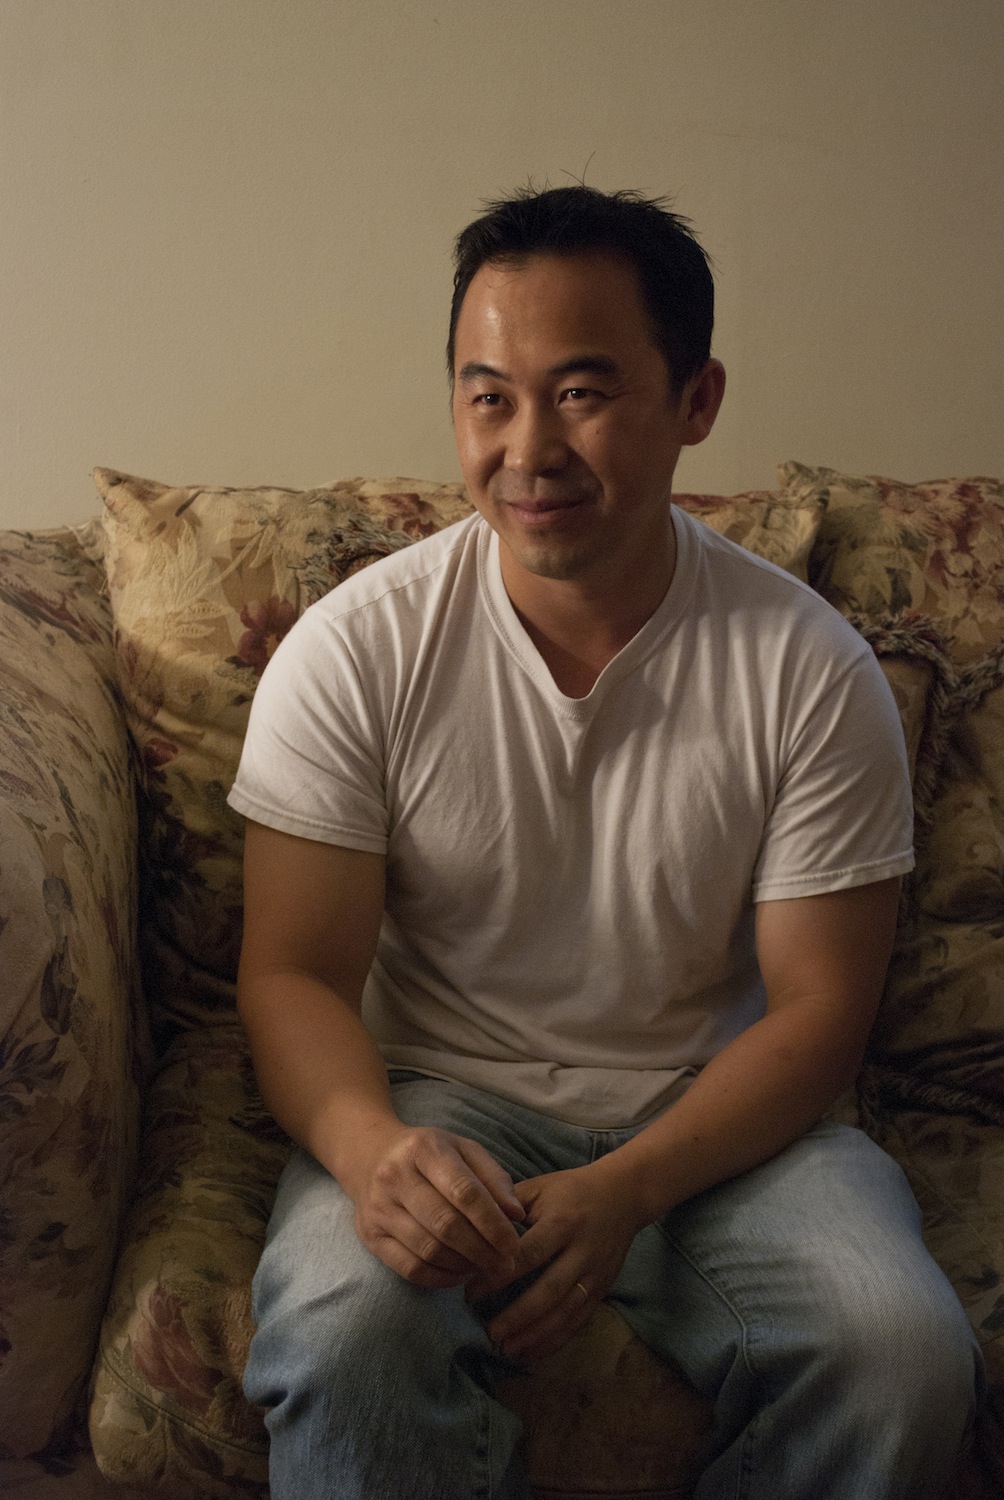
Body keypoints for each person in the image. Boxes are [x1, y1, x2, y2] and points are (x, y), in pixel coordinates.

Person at [228, 185, 981, 1499]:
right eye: (489, 397)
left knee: (903, 1354)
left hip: (722, 1124)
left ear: (697, 401)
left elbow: (818, 1012)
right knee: (345, 1336)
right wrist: (372, 1152)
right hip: (441, 1107)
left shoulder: (808, 669)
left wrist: (629, 1187)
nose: (529, 450)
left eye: (581, 393)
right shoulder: (357, 651)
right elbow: (292, 971)